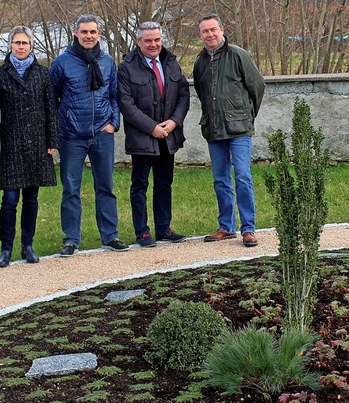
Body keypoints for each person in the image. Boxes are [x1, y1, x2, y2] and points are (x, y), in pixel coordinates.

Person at [50, 14, 127, 256]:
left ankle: (110, 235)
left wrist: (113, 123)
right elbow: (51, 100)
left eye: (93, 32)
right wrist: (57, 131)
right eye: (84, 32)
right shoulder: (62, 62)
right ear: (76, 33)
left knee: (105, 186)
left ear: (99, 34)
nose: (88, 36)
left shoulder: (106, 61)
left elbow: (114, 96)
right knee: (71, 189)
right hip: (72, 135)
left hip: (102, 133)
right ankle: (71, 238)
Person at [0, 26, 59, 267]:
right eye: (16, 42)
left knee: (32, 197)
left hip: (37, 142)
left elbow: (50, 108)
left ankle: (28, 245)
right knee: (9, 198)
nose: (20, 46)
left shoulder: (42, 73)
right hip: (12, 142)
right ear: (10, 45)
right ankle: (6, 248)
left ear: (31, 46)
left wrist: (52, 141)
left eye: (24, 43)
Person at [193, 14, 265, 247]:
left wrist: (246, 115)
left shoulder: (238, 55)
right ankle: (226, 226)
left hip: (239, 129)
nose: (210, 34)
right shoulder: (200, 61)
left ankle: (248, 228)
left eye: (213, 29)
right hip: (213, 129)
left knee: (242, 176)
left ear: (222, 30)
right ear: (201, 34)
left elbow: (257, 86)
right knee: (220, 179)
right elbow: (202, 93)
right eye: (205, 31)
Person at [118, 21, 190, 247]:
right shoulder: (127, 67)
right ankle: (143, 232)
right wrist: (152, 127)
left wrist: (174, 122)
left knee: (164, 184)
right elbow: (126, 104)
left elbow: (183, 96)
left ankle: (164, 228)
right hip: (143, 136)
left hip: (168, 135)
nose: (153, 44)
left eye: (157, 40)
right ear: (139, 42)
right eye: (148, 40)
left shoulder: (170, 63)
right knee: (139, 185)